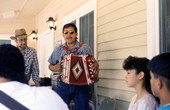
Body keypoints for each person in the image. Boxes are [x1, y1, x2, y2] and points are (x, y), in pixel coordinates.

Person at [0, 44, 69, 110]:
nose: (23, 42)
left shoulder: (32, 51)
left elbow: (35, 70)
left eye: (25, 39)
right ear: (23, 66)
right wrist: (40, 92)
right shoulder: (50, 97)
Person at [48, 23, 99, 110]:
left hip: (81, 86)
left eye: (71, 32)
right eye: (66, 32)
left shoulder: (84, 48)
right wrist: (54, 67)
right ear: (63, 35)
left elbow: (93, 62)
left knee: (83, 108)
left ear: (76, 34)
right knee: (59, 107)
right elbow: (50, 65)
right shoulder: (58, 49)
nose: (69, 35)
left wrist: (96, 65)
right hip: (64, 84)